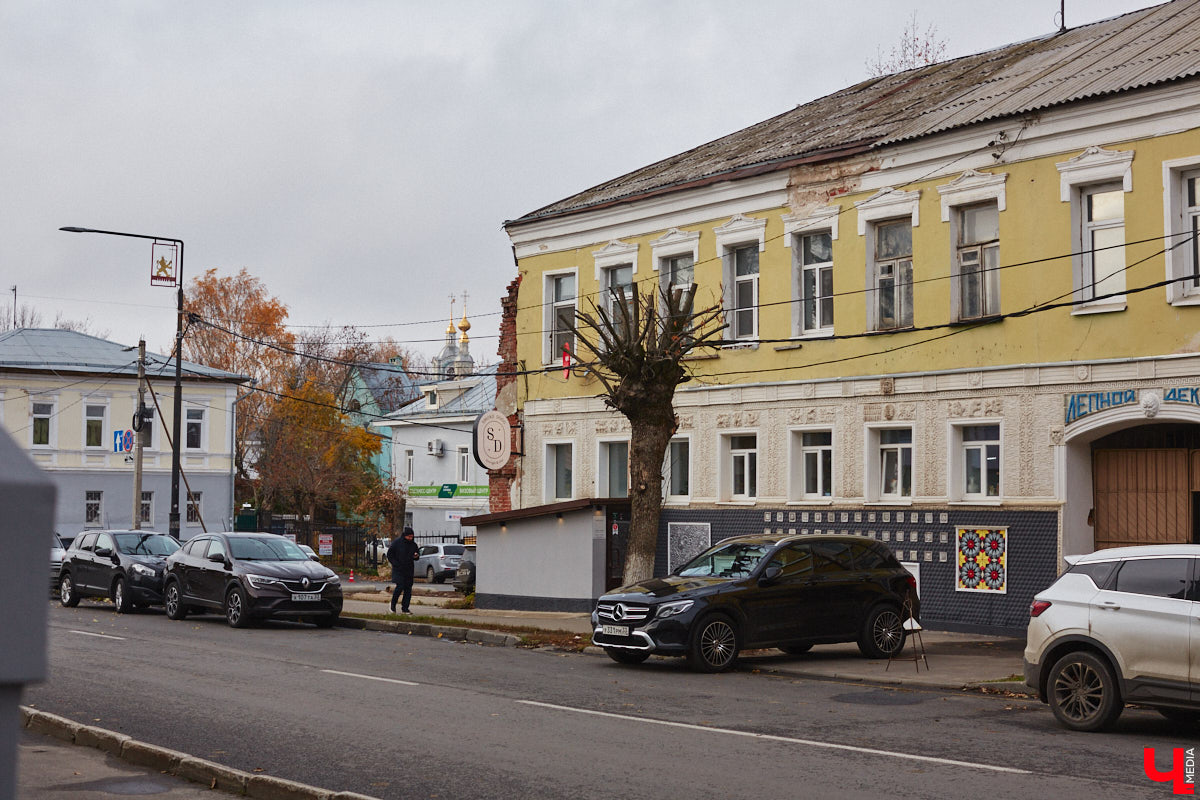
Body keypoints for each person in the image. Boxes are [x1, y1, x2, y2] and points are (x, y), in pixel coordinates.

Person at [387, 527, 420, 614]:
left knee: (408, 589)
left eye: (412, 537)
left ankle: (405, 608)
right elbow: (390, 554)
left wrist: (416, 556)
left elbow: (417, 555)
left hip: (409, 570)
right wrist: (395, 563)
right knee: (400, 586)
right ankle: (392, 605)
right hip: (399, 569)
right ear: (404, 535)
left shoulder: (413, 545)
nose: (410, 538)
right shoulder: (397, 543)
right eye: (409, 536)